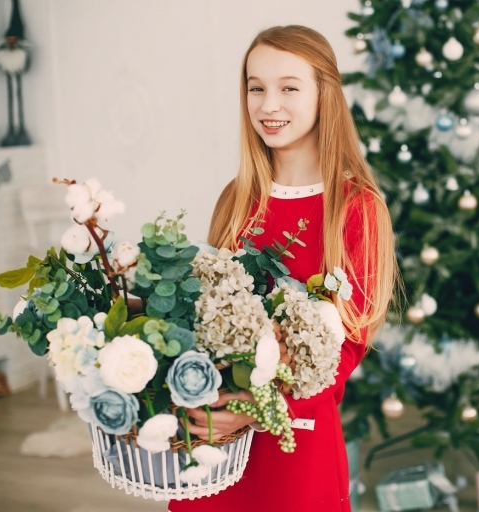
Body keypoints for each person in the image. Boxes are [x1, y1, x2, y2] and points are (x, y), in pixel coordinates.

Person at [167, 25, 398, 512]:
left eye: (289, 87)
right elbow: (206, 316)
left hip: (296, 445)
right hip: (216, 448)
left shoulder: (355, 208)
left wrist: (252, 411)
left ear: (324, 95)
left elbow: (347, 348)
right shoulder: (236, 198)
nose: (269, 106)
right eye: (256, 88)